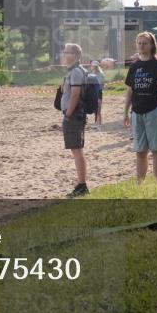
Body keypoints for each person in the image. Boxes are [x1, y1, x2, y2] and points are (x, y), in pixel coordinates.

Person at [123, 32, 157, 183]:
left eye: (144, 43)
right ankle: (140, 183)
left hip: (154, 109)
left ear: (152, 45)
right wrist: (125, 112)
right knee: (140, 150)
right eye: (139, 43)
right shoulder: (134, 66)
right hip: (137, 111)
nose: (141, 45)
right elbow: (129, 91)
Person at [60, 43, 90, 197]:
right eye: (64, 52)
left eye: (67, 52)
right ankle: (81, 184)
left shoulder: (76, 72)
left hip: (73, 115)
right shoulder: (74, 71)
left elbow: (75, 95)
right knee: (76, 149)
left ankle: (82, 185)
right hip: (74, 114)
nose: (64, 55)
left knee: (77, 150)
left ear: (76, 55)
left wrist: (67, 115)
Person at [89, 61, 105, 130]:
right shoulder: (92, 74)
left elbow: (101, 85)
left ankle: (99, 125)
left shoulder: (100, 74)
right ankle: (96, 124)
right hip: (93, 93)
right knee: (95, 109)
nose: (92, 67)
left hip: (99, 92)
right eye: (92, 66)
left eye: (93, 66)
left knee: (98, 110)